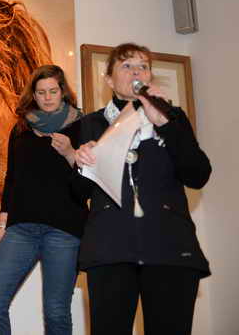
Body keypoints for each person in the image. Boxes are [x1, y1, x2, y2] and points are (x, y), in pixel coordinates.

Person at [74, 42, 211, 335]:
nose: (136, 71)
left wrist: (164, 122)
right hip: (110, 250)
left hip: (169, 249)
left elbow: (198, 175)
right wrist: (80, 161)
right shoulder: (90, 124)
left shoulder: (173, 118)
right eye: (127, 65)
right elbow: (77, 193)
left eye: (143, 66)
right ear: (109, 80)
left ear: (149, 77)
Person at [0, 64, 86, 335]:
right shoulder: (21, 130)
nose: (47, 97)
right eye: (41, 92)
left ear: (63, 92)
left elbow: (89, 183)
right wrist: (2, 225)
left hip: (65, 230)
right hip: (21, 228)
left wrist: (70, 153)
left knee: (56, 312)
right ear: (33, 95)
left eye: (53, 91)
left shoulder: (82, 127)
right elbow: (12, 179)